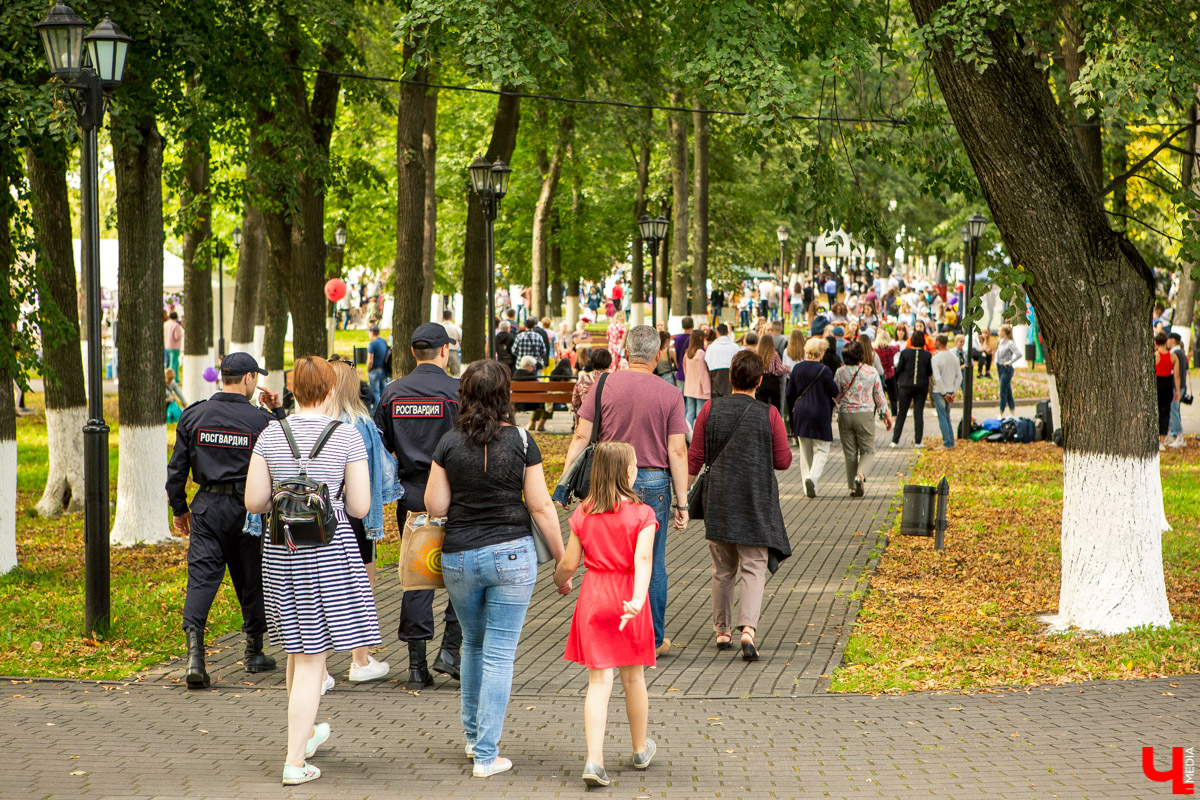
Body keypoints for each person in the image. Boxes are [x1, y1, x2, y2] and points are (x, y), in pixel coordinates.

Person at [424, 359, 567, 778]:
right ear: (505, 394)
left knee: (473, 643)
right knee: (500, 655)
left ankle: (473, 739)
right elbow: (541, 507)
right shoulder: (522, 440)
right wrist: (562, 560)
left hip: (460, 557)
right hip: (511, 556)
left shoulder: (449, 443)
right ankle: (487, 756)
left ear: (464, 393)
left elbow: (436, 506)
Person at [242, 356, 378, 786]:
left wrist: (288, 498)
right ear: (331, 388)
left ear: (294, 388)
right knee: (312, 659)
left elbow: (253, 502)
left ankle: (306, 734)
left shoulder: (270, 433)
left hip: (282, 552)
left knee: (298, 650)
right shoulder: (347, 437)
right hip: (329, 553)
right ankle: (295, 759)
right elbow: (360, 507)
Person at [557, 325, 689, 657]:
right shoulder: (670, 393)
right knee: (652, 562)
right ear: (658, 356)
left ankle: (607, 626)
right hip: (655, 483)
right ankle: (653, 638)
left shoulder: (601, 386)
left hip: (606, 480)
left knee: (607, 560)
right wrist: (683, 502)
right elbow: (677, 451)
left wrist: (563, 481)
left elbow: (580, 437)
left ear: (625, 353)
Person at [166, 352, 284, 690]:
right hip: (249, 508)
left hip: (206, 507)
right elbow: (289, 450)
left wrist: (179, 508)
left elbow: (177, 470)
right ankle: (253, 652)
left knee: (202, 579)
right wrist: (277, 409)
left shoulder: (195, 415)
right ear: (248, 379)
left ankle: (195, 658)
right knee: (251, 575)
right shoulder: (261, 422)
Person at [553, 441, 658, 787]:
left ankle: (594, 761)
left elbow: (569, 564)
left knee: (599, 683)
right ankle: (641, 749)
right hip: (628, 597)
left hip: (595, 595)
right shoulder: (643, 515)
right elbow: (643, 560)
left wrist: (560, 581)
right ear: (629, 472)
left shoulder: (584, 512)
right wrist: (639, 598)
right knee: (633, 677)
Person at [373, 323, 463, 690]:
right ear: (444, 351)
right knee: (462, 573)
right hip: (455, 492)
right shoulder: (458, 392)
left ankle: (415, 665)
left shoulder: (393, 392)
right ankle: (451, 650)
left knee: (417, 576)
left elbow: (378, 444)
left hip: (411, 494)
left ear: (413, 352)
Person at [688, 350, 792, 659]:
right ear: (759, 381)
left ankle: (722, 631)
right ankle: (748, 631)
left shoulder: (709, 410)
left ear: (730, 378)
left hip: (718, 498)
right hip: (756, 500)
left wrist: (682, 498)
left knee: (722, 569)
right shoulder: (769, 414)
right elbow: (783, 460)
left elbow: (695, 457)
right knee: (754, 567)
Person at [327, 361, 399, 684]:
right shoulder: (362, 424)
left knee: (320, 587)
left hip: (317, 515)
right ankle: (360, 659)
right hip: (354, 515)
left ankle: (319, 668)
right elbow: (381, 472)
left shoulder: (308, 422)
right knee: (360, 587)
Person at [834, 342, 892, 497]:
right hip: (865, 414)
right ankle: (860, 476)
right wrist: (886, 414)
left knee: (850, 452)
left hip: (845, 414)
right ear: (861, 355)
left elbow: (836, 395)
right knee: (867, 450)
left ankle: (853, 487)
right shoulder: (871, 371)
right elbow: (879, 395)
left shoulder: (840, 372)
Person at [786, 337, 838, 498]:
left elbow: (789, 393)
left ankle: (806, 485)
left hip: (801, 412)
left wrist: (792, 412)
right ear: (821, 353)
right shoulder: (824, 370)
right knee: (822, 448)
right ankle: (812, 478)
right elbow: (834, 391)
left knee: (805, 451)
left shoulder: (797, 368)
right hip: (820, 412)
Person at [890, 331, 933, 448]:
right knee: (918, 413)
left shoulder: (905, 353)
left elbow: (898, 369)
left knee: (902, 413)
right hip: (921, 386)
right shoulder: (927, 355)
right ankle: (918, 441)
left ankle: (895, 440)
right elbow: (929, 372)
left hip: (905, 386)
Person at [929, 334, 962, 448]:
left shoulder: (935, 358)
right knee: (947, 416)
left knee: (942, 416)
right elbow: (959, 377)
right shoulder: (954, 357)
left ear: (938, 342)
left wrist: (944, 393)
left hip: (940, 391)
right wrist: (953, 391)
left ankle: (947, 442)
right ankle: (950, 441)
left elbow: (937, 377)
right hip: (950, 389)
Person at [1154, 331, 1181, 450]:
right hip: (1168, 385)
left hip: (1157, 384)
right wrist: (1178, 391)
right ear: (1166, 342)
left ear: (1155, 343)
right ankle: (1161, 441)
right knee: (1165, 413)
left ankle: (1154, 438)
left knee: (1155, 412)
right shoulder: (1173, 357)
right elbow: (1177, 376)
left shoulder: (1155, 356)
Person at [512, 355, 553, 431]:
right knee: (548, 401)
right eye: (532, 366)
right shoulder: (531, 376)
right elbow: (540, 389)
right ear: (527, 366)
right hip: (531, 404)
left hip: (517, 403)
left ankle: (532, 424)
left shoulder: (515, 374)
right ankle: (540, 425)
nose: (533, 368)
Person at [682, 329, 711, 427]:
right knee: (700, 412)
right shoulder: (701, 353)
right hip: (700, 387)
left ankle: (687, 435)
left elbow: (685, 370)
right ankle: (697, 436)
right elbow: (702, 373)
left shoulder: (687, 353)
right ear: (700, 338)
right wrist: (707, 389)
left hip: (689, 387)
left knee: (690, 411)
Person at [754, 332, 787, 415]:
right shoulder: (775, 354)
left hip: (761, 381)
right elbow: (780, 369)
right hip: (773, 381)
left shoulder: (757, 354)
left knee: (761, 405)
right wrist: (785, 369)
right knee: (776, 405)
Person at [572, 348, 612, 415]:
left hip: (586, 418)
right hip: (607, 419)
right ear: (609, 362)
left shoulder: (583, 378)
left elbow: (575, 403)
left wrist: (577, 422)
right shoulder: (612, 379)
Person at [704, 323, 739, 398]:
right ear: (727, 332)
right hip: (731, 382)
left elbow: (707, 362)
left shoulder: (711, 347)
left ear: (717, 333)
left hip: (715, 380)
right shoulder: (735, 347)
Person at [995, 324, 1021, 417]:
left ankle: (1001, 412)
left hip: (1006, 369)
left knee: (1003, 391)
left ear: (1004, 332)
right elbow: (997, 353)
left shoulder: (1010, 343)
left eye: (999, 331)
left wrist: (1009, 362)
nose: (998, 333)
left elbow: (1019, 354)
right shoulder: (1001, 341)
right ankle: (1012, 412)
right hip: (1000, 368)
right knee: (1008, 390)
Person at [1167, 331, 1189, 447]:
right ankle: (1168, 435)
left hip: (1176, 386)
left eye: (1168, 340)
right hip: (1181, 386)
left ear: (1173, 340)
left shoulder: (1174, 354)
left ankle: (1179, 437)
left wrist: (1175, 388)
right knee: (1174, 411)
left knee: (1173, 411)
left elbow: (1175, 374)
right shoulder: (1182, 353)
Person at [366, 325, 389, 412]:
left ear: (372, 332)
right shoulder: (384, 342)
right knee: (383, 392)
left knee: (375, 392)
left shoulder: (372, 344)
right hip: (383, 370)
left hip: (374, 370)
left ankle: (376, 412)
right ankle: (384, 410)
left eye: (369, 333)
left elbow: (370, 360)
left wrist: (368, 370)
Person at [673, 317, 694, 385]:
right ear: (693, 326)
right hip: (692, 374)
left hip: (680, 372)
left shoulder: (677, 339)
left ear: (682, 326)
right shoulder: (694, 339)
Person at [442, 310, 463, 377]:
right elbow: (461, 340)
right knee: (456, 373)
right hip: (453, 352)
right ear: (451, 317)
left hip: (441, 352)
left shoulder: (439, 327)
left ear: (443, 317)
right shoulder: (456, 328)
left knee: (442, 373)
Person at [164, 311, 183, 375]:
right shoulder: (175, 325)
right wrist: (181, 335)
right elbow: (177, 336)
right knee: (173, 363)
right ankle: (170, 377)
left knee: (173, 362)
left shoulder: (166, 324)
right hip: (174, 347)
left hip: (167, 345)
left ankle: (176, 377)